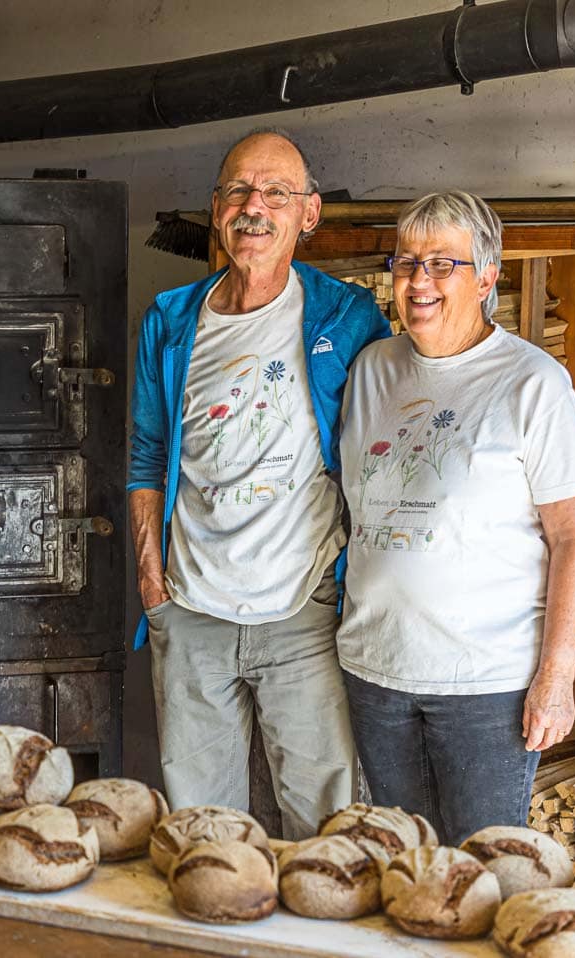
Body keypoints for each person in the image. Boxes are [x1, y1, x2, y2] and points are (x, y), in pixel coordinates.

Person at [128, 129, 390, 838]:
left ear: (307, 215)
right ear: (215, 209)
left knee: (326, 826)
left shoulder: (348, 316)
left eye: (276, 192)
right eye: (239, 190)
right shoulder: (172, 320)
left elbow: (382, 452)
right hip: (190, 607)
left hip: (301, 609)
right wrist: (152, 578)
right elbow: (148, 453)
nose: (255, 206)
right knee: (201, 827)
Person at [337, 190, 575, 844]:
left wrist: (556, 676)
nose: (418, 281)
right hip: (376, 670)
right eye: (406, 263)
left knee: (488, 873)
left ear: (487, 277)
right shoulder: (373, 370)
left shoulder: (532, 383)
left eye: (442, 264)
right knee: (408, 867)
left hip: (486, 686)